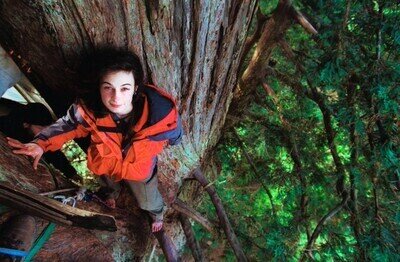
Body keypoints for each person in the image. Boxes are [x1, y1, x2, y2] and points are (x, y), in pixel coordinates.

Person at [7, 48, 183, 233]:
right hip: (105, 161)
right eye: (108, 87)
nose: (116, 98)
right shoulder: (90, 110)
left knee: (147, 199)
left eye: (124, 88)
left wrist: (173, 142)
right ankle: (111, 194)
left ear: (136, 88)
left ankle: (156, 213)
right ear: (99, 87)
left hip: (139, 166)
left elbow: (175, 134)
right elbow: (67, 126)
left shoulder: (160, 115)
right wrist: (39, 144)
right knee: (107, 183)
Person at [0, 101, 80, 181]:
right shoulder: (5, 126)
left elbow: (55, 155)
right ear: (26, 124)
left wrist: (71, 173)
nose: (45, 132)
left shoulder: (40, 138)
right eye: (41, 128)